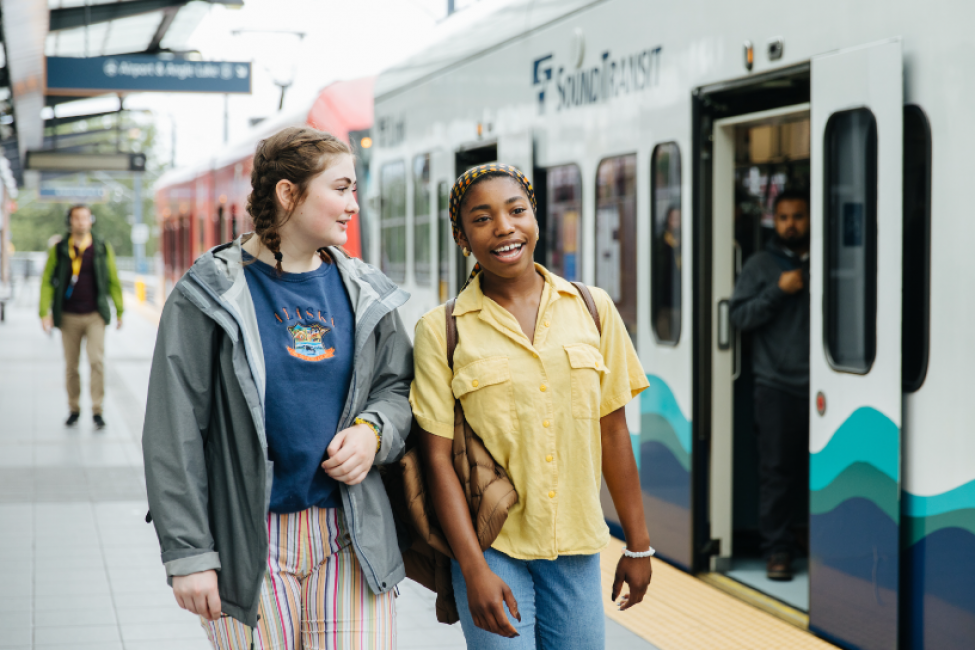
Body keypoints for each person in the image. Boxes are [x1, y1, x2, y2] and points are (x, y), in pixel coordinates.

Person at [142, 127, 413, 650]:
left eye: (353, 189)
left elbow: (397, 387)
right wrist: (190, 555)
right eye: (340, 188)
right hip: (247, 540)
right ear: (288, 193)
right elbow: (172, 434)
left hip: (348, 534)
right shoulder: (208, 295)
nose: (353, 204)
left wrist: (373, 432)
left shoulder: (364, 291)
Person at [411, 164, 654, 649]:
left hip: (575, 545)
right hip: (491, 543)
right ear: (462, 237)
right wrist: (473, 569)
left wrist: (639, 544)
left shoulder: (592, 308)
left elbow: (614, 434)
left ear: (535, 218)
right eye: (482, 219)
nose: (504, 227)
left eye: (516, 210)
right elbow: (436, 458)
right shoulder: (442, 329)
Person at [729, 189, 810, 581]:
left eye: (799, 216)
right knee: (777, 473)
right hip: (776, 385)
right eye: (784, 217)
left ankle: (811, 537)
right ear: (773, 222)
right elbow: (739, 316)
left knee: (817, 473)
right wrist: (780, 290)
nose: (791, 224)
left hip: (828, 388)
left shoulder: (831, 258)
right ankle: (777, 551)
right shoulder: (761, 265)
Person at [39, 204, 124, 430]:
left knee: (96, 362)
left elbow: (113, 279)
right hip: (68, 316)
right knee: (71, 366)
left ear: (91, 221)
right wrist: (43, 312)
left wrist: (120, 310)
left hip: (95, 314)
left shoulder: (101, 247)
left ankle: (97, 410)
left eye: (85, 218)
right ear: (70, 221)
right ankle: (74, 408)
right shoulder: (59, 249)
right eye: (77, 218)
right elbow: (47, 280)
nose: (81, 222)